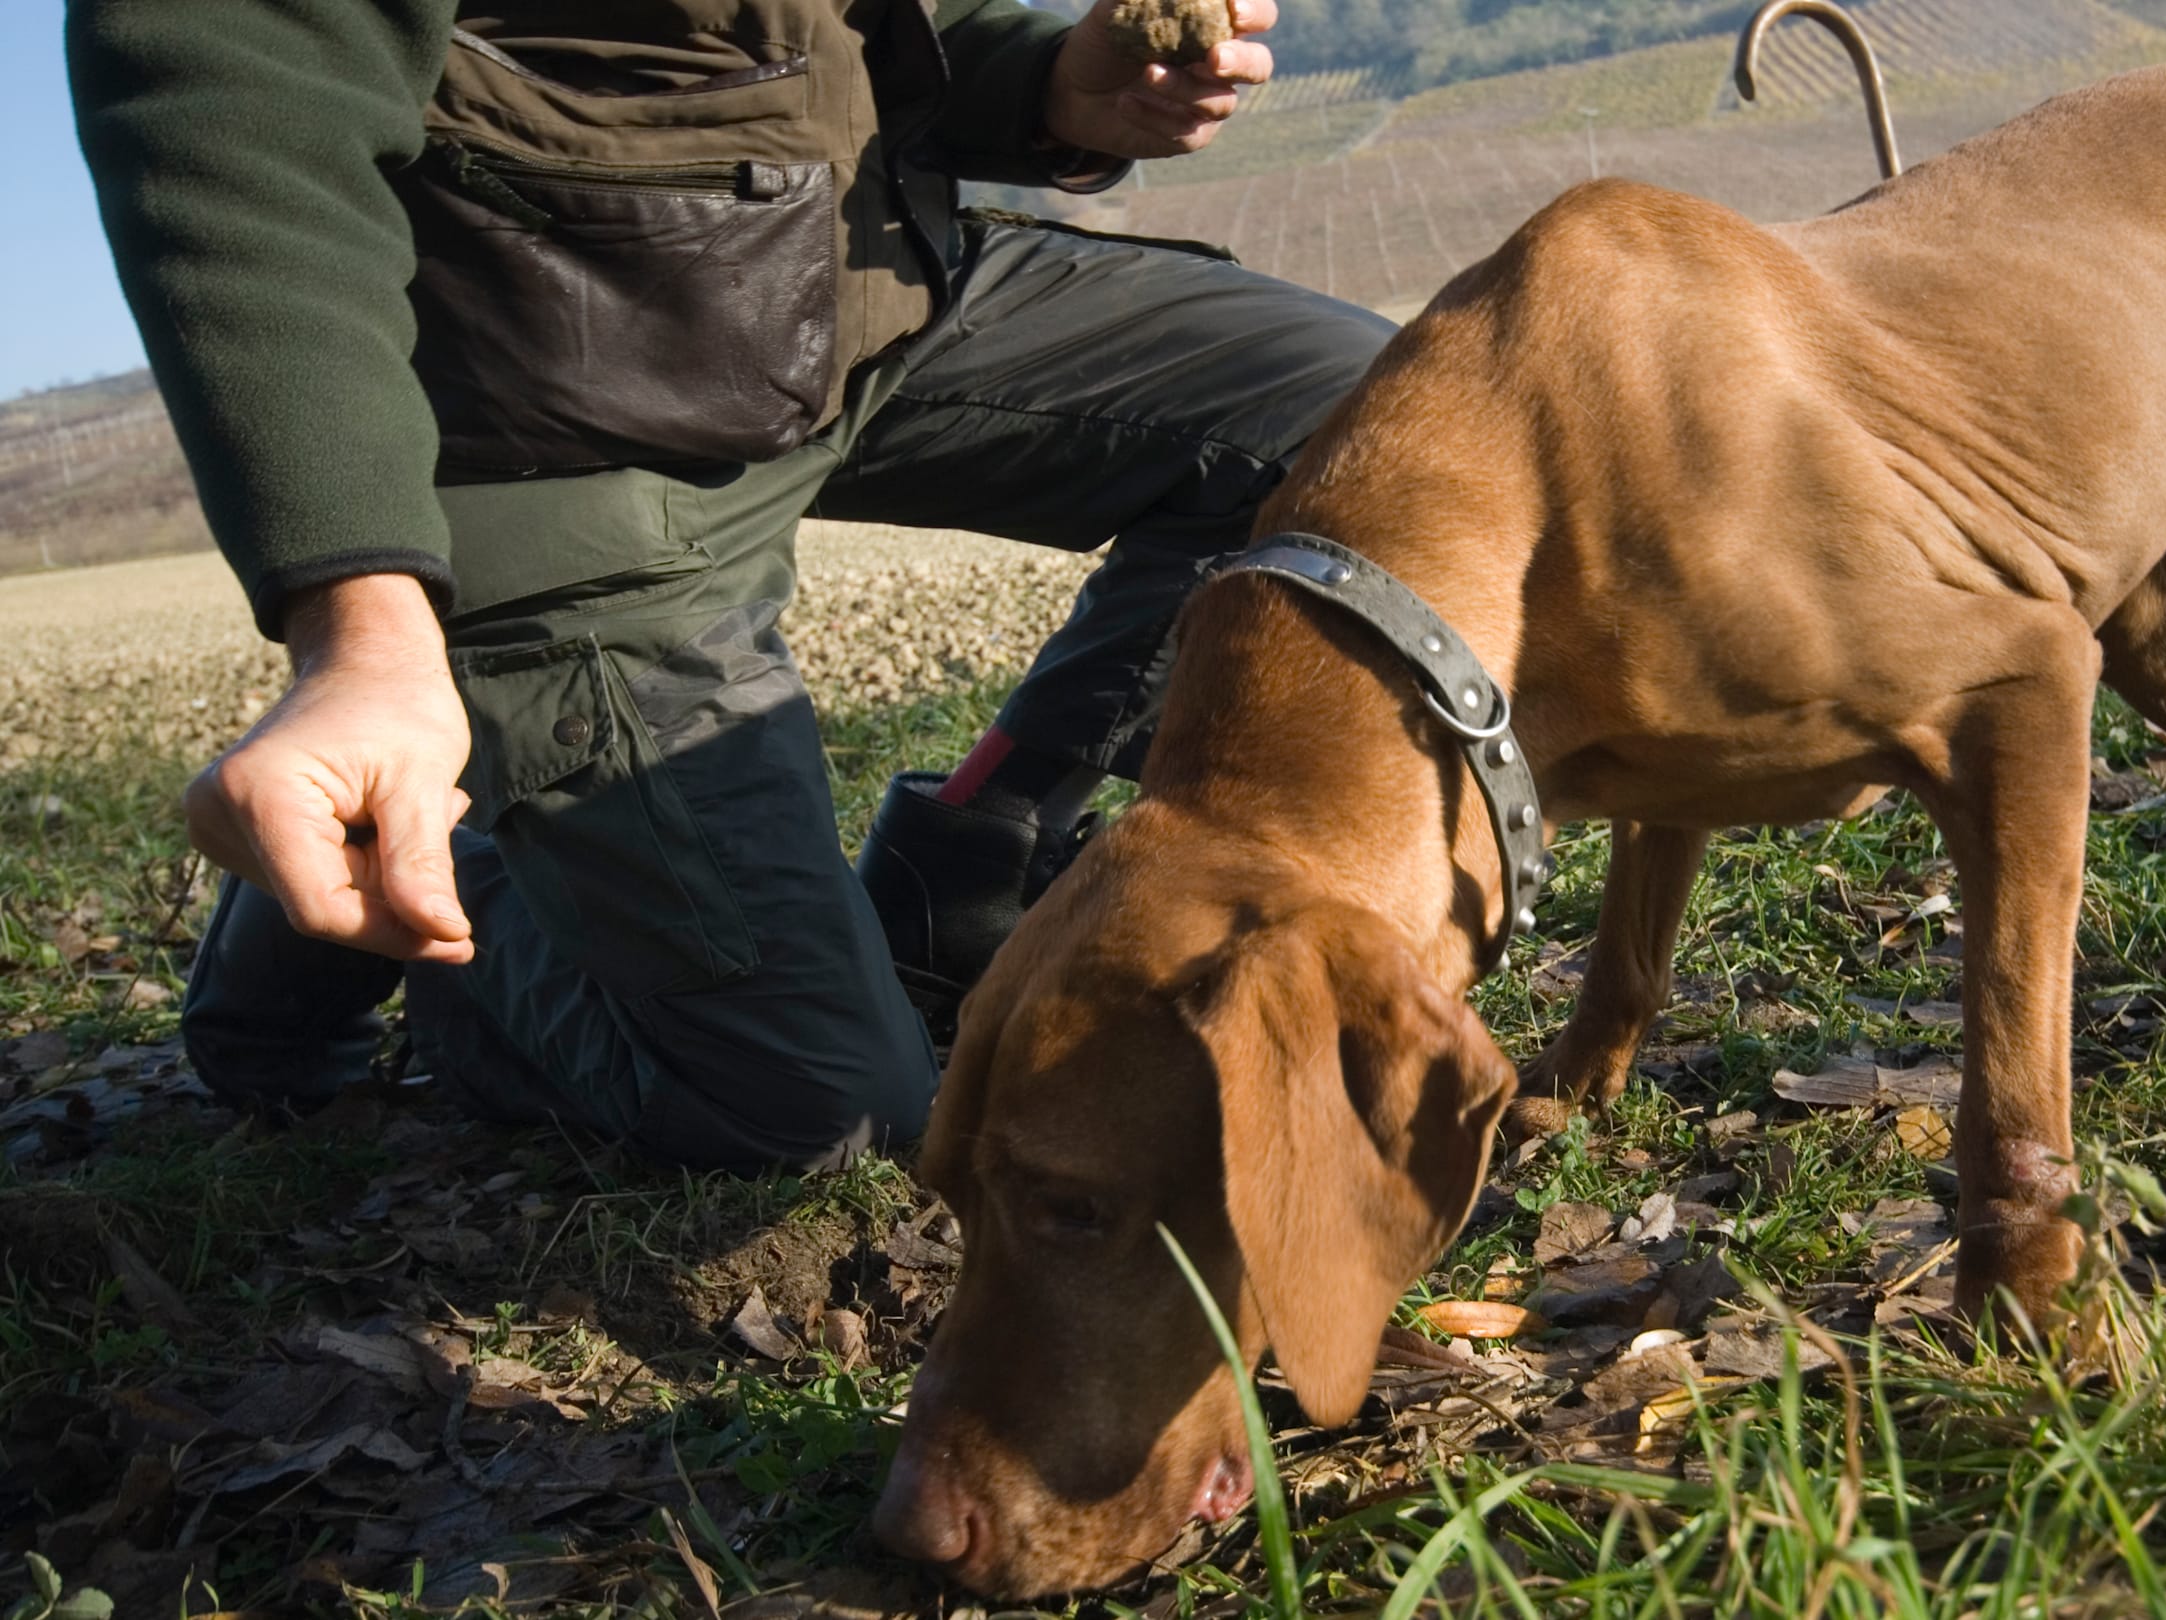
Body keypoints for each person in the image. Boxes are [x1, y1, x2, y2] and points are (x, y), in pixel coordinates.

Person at [69, 0, 1393, 1171]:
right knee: (818, 1112)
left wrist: (1049, 86)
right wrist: (358, 631)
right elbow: (236, 106)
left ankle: (973, 856)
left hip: (864, 296)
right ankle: (419, 867)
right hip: (565, 409)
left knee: (1377, 429)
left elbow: (811, 40)